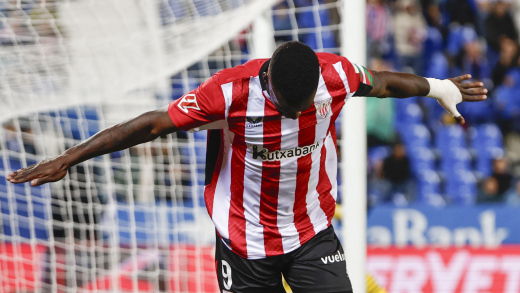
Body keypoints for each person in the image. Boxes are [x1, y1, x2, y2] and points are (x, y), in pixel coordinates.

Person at [6, 41, 487, 293]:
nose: (299, 114)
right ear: (269, 84)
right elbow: (153, 124)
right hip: (244, 241)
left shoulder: (334, 75)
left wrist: (439, 86)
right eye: (288, 107)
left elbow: (381, 83)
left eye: (305, 107)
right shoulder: (229, 94)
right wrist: (69, 159)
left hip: (311, 230)